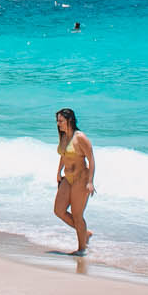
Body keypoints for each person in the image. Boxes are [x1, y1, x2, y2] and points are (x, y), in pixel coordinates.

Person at [54, 107, 95, 255]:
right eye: (57, 121)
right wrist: (58, 172)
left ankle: (82, 249)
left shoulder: (80, 137)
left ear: (69, 120)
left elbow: (91, 159)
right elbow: (63, 155)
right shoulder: (64, 136)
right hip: (67, 178)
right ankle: (86, 234)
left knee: (77, 215)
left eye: (61, 121)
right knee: (58, 211)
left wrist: (90, 182)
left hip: (80, 179)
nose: (58, 124)